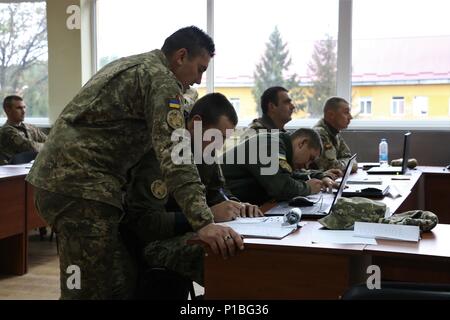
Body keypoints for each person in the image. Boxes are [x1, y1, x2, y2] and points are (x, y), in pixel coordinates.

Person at [25, 26, 243, 300]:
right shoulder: (162, 80)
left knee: (112, 281)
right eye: (199, 69)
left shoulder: (138, 66)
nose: (198, 80)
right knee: (89, 290)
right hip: (80, 188)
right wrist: (203, 222)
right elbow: (175, 154)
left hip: (68, 182)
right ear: (181, 56)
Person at [123, 93, 262, 288]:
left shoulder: (206, 152)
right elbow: (146, 223)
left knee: (246, 244)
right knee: (224, 250)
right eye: (217, 136)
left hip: (190, 230)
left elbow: (218, 191)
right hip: (153, 242)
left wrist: (236, 205)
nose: (218, 145)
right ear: (196, 123)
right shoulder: (160, 154)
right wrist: (208, 215)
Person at [221, 128, 338, 205]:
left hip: (241, 205)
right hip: (221, 203)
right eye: (310, 159)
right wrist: (308, 188)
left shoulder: (280, 144)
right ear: (302, 143)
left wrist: (320, 176)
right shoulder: (270, 144)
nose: (307, 166)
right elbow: (281, 187)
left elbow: (287, 175)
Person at [313, 97, 358, 173]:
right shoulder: (319, 134)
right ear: (331, 115)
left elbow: (349, 158)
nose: (350, 117)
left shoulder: (334, 132)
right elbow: (332, 167)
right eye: (346, 112)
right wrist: (350, 164)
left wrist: (348, 163)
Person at [0, 95, 47, 164]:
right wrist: (47, 146)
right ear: (8, 110)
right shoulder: (6, 131)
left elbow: (50, 141)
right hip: (12, 171)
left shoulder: (31, 128)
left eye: (24, 107)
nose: (23, 111)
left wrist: (48, 145)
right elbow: (31, 148)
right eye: (19, 108)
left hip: (30, 168)